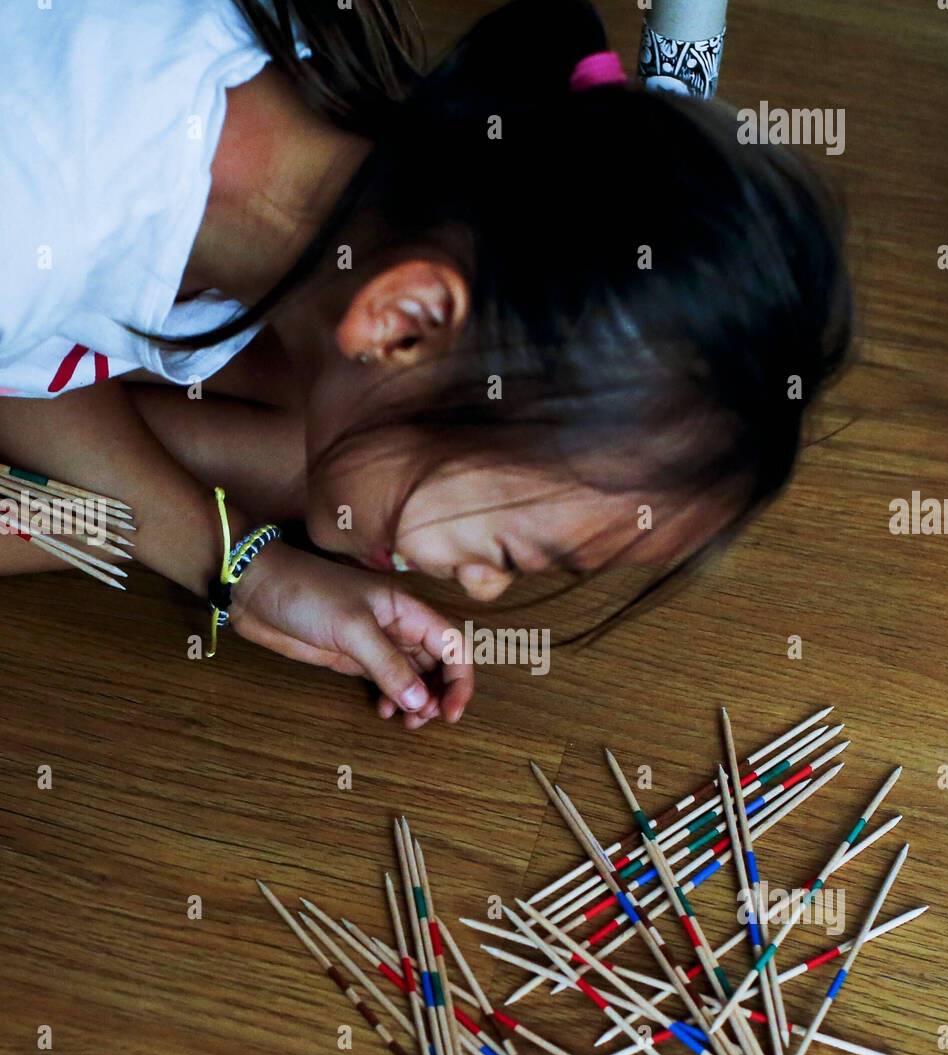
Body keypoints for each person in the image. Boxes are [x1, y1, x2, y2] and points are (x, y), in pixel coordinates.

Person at [0, 0, 852, 731]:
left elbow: (24, 375)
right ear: (405, 321)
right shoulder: (38, 215)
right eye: (511, 555)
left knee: (344, 451)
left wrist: (243, 570)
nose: (478, 591)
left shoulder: (325, 146)